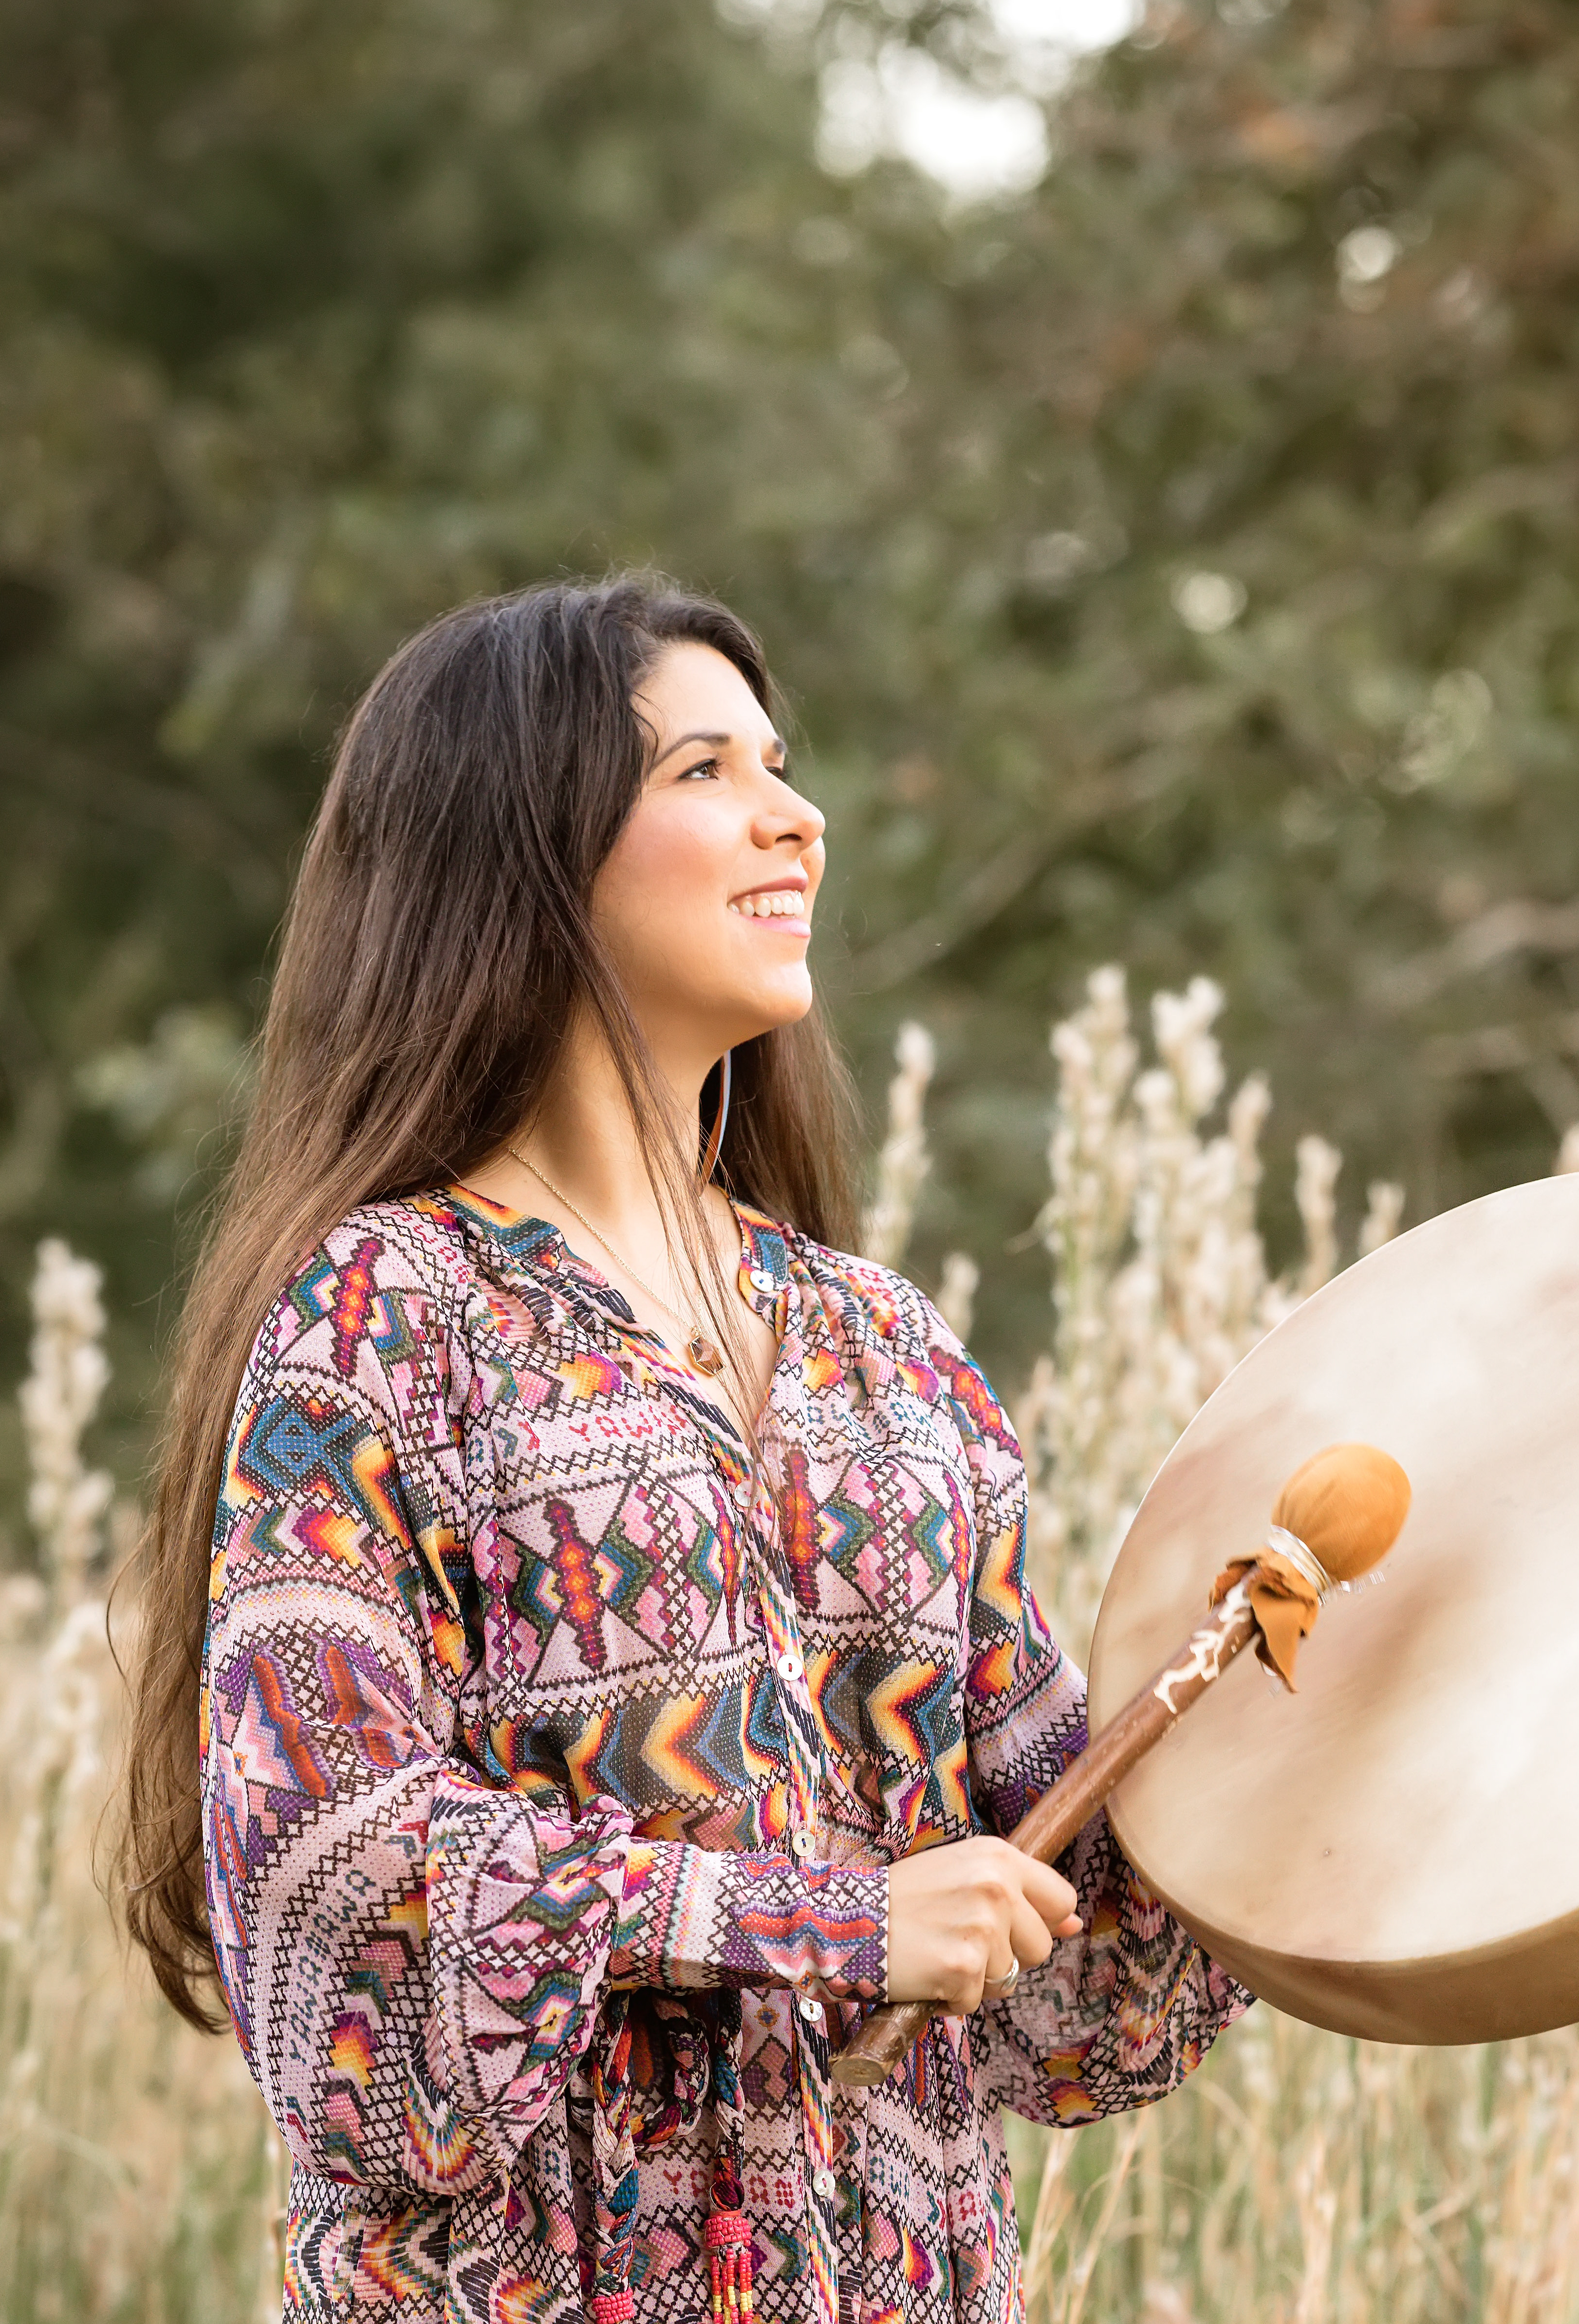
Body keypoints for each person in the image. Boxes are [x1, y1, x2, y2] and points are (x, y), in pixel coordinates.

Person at [117, 576, 1249, 2324]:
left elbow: (1068, 1990)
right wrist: (818, 1920)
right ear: (523, 848)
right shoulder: (381, 1324)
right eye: (707, 770)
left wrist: (1267, 1721)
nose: (797, 818)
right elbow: (327, 1920)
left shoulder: (885, 1353)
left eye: (781, 766)